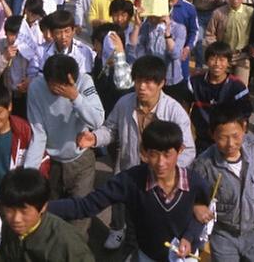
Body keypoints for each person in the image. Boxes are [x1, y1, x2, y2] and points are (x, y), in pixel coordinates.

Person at [76, 54, 196, 251]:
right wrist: (95, 138)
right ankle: (123, 236)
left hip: (161, 180)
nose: (141, 87)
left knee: (154, 225)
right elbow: (111, 129)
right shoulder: (125, 103)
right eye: (138, 80)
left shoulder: (174, 112)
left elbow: (188, 150)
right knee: (131, 219)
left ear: (161, 83)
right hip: (132, 170)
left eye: (149, 82)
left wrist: (166, 171)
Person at [48, 120, 211, 261]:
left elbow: (203, 215)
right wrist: (43, 207)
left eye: (168, 154)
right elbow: (86, 206)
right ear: (144, 152)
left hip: (185, 258)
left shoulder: (195, 183)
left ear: (180, 150)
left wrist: (189, 237)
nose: (161, 163)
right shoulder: (130, 181)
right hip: (148, 257)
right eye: (154, 154)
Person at [24, 54, 104, 237]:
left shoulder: (84, 82)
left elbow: (98, 120)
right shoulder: (37, 88)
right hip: (53, 162)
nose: (57, 90)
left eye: (62, 86)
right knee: (52, 215)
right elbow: (38, 134)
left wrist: (75, 97)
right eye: (53, 85)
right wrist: (30, 173)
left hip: (80, 159)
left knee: (81, 215)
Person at [192, 103, 254, 262]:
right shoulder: (203, 165)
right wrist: (196, 206)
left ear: (244, 127)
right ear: (212, 134)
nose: (230, 144)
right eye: (222, 138)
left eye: (235, 136)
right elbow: (192, 193)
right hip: (223, 235)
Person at [0, 167, 95, 261]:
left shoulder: (66, 242)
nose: (16, 219)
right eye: (10, 210)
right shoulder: (8, 228)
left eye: (24, 211)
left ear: (43, 207)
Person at [190, 41, 253, 153]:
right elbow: (184, 106)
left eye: (222, 60)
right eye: (213, 59)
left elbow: (244, 116)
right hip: (202, 138)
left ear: (228, 63)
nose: (217, 64)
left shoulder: (237, 87)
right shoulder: (195, 82)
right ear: (206, 61)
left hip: (227, 139)